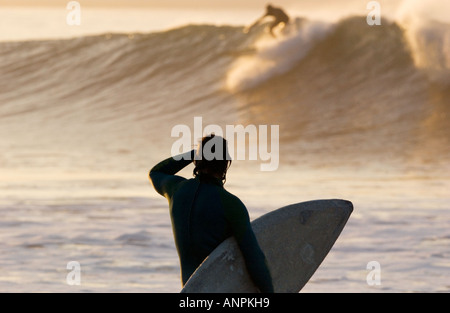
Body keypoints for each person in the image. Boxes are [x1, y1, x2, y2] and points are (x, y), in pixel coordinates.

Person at [149, 134, 274, 293]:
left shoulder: (176, 190)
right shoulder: (231, 204)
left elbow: (156, 172)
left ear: (197, 161)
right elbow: (254, 259)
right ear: (225, 164)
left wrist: (194, 154)